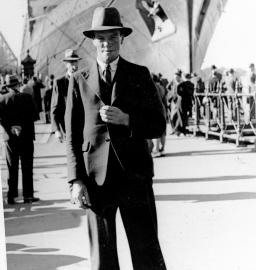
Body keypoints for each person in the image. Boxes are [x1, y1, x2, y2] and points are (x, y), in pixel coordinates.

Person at [65, 6, 167, 270]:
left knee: (147, 253)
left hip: (135, 177)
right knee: (102, 258)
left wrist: (128, 120)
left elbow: (158, 124)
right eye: (101, 38)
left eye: (113, 37)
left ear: (122, 38)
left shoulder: (139, 75)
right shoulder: (78, 80)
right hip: (96, 181)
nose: (107, 44)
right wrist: (76, 180)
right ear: (93, 41)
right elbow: (72, 136)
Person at [0, 75, 39, 204]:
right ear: (18, 85)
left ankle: (11, 196)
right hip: (26, 136)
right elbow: (34, 116)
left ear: (7, 86)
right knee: (27, 167)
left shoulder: (2, 99)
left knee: (12, 166)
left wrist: (11, 127)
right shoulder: (27, 98)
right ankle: (28, 196)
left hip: (10, 138)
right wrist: (21, 126)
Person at [50, 49, 81, 142]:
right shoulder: (59, 82)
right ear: (66, 64)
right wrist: (56, 130)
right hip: (68, 128)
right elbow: (54, 108)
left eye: (75, 61)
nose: (74, 65)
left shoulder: (84, 79)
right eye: (71, 62)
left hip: (84, 127)